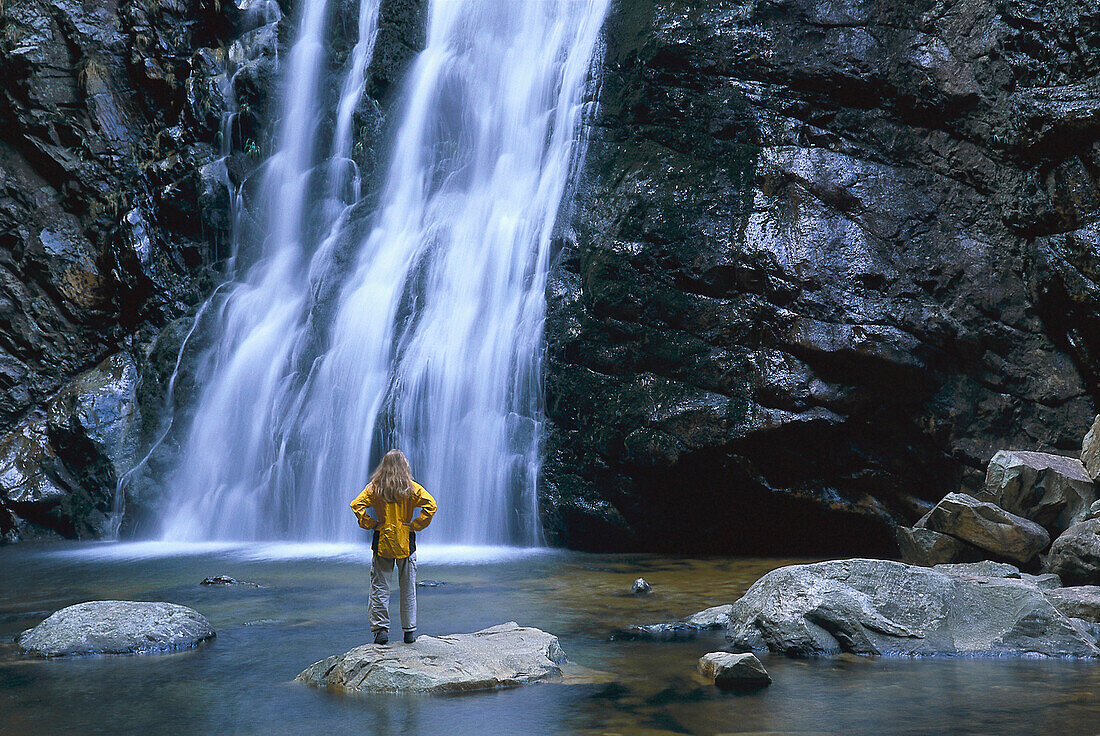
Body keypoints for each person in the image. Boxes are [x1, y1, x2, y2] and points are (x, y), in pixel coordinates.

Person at [350, 449, 437, 644]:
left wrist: (370, 523)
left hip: (383, 540)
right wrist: (415, 525)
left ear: (384, 467)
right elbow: (431, 505)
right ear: (404, 466)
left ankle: (381, 630)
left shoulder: (375, 488)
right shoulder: (412, 488)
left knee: (380, 586)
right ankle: (409, 631)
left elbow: (356, 505)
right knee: (408, 587)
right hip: (406, 540)